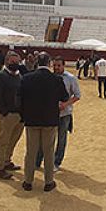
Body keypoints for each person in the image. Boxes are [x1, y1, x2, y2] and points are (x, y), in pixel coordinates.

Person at [19, 52, 69, 192]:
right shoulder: (56, 79)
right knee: (48, 152)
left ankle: (28, 181)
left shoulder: (27, 78)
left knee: (31, 152)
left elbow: (20, 99)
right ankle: (48, 182)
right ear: (49, 63)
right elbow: (65, 97)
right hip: (50, 120)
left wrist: (24, 116)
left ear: (36, 62)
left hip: (32, 120)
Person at [36, 56, 81, 171]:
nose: (56, 67)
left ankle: (56, 162)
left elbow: (77, 95)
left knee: (61, 139)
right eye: (54, 65)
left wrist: (65, 104)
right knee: (45, 138)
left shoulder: (71, 78)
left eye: (58, 65)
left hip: (64, 113)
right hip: (50, 113)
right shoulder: (49, 77)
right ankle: (38, 160)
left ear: (63, 65)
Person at [0, 51, 24, 180]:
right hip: (8, 115)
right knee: (3, 141)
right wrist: (4, 111)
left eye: (17, 61)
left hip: (20, 115)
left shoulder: (19, 76)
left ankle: (7, 160)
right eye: (12, 61)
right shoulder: (0, 76)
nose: (15, 64)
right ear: (6, 61)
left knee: (13, 140)